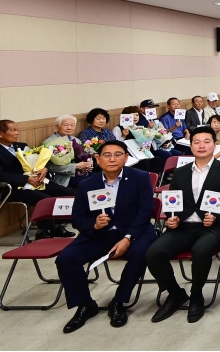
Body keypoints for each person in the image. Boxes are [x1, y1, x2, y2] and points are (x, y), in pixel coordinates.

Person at [55, 140, 157, 333]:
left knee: (141, 252)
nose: (112, 159)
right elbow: (78, 217)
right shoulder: (87, 184)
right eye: (107, 155)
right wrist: (93, 224)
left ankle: (118, 302)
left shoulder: (140, 177)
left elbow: (146, 211)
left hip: (134, 231)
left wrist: (127, 238)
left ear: (127, 157)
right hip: (99, 234)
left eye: (118, 154)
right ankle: (85, 305)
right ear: (97, 159)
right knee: (66, 259)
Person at [145, 126, 220, 324]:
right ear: (191, 146)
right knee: (153, 253)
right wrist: (173, 217)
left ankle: (196, 296)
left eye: (207, 141)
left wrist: (217, 216)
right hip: (184, 225)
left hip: (214, 227)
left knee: (200, 250)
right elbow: (175, 201)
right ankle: (175, 293)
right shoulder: (180, 173)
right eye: (196, 142)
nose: (202, 146)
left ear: (215, 145)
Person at [0, 120, 76, 238]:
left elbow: (34, 162)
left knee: (67, 191)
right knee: (44, 199)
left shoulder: (21, 146)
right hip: (13, 187)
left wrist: (43, 169)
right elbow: (2, 175)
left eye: (18, 130)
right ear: (1, 134)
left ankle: (57, 226)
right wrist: (26, 179)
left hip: (35, 181)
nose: (17, 133)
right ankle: (43, 231)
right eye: (13, 130)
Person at [43, 115, 93, 188]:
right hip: (63, 177)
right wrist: (75, 166)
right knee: (90, 183)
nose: (69, 128)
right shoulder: (50, 143)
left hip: (82, 173)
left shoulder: (76, 140)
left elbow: (84, 155)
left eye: (72, 125)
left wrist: (87, 164)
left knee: (101, 177)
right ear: (57, 127)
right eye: (66, 125)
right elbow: (49, 167)